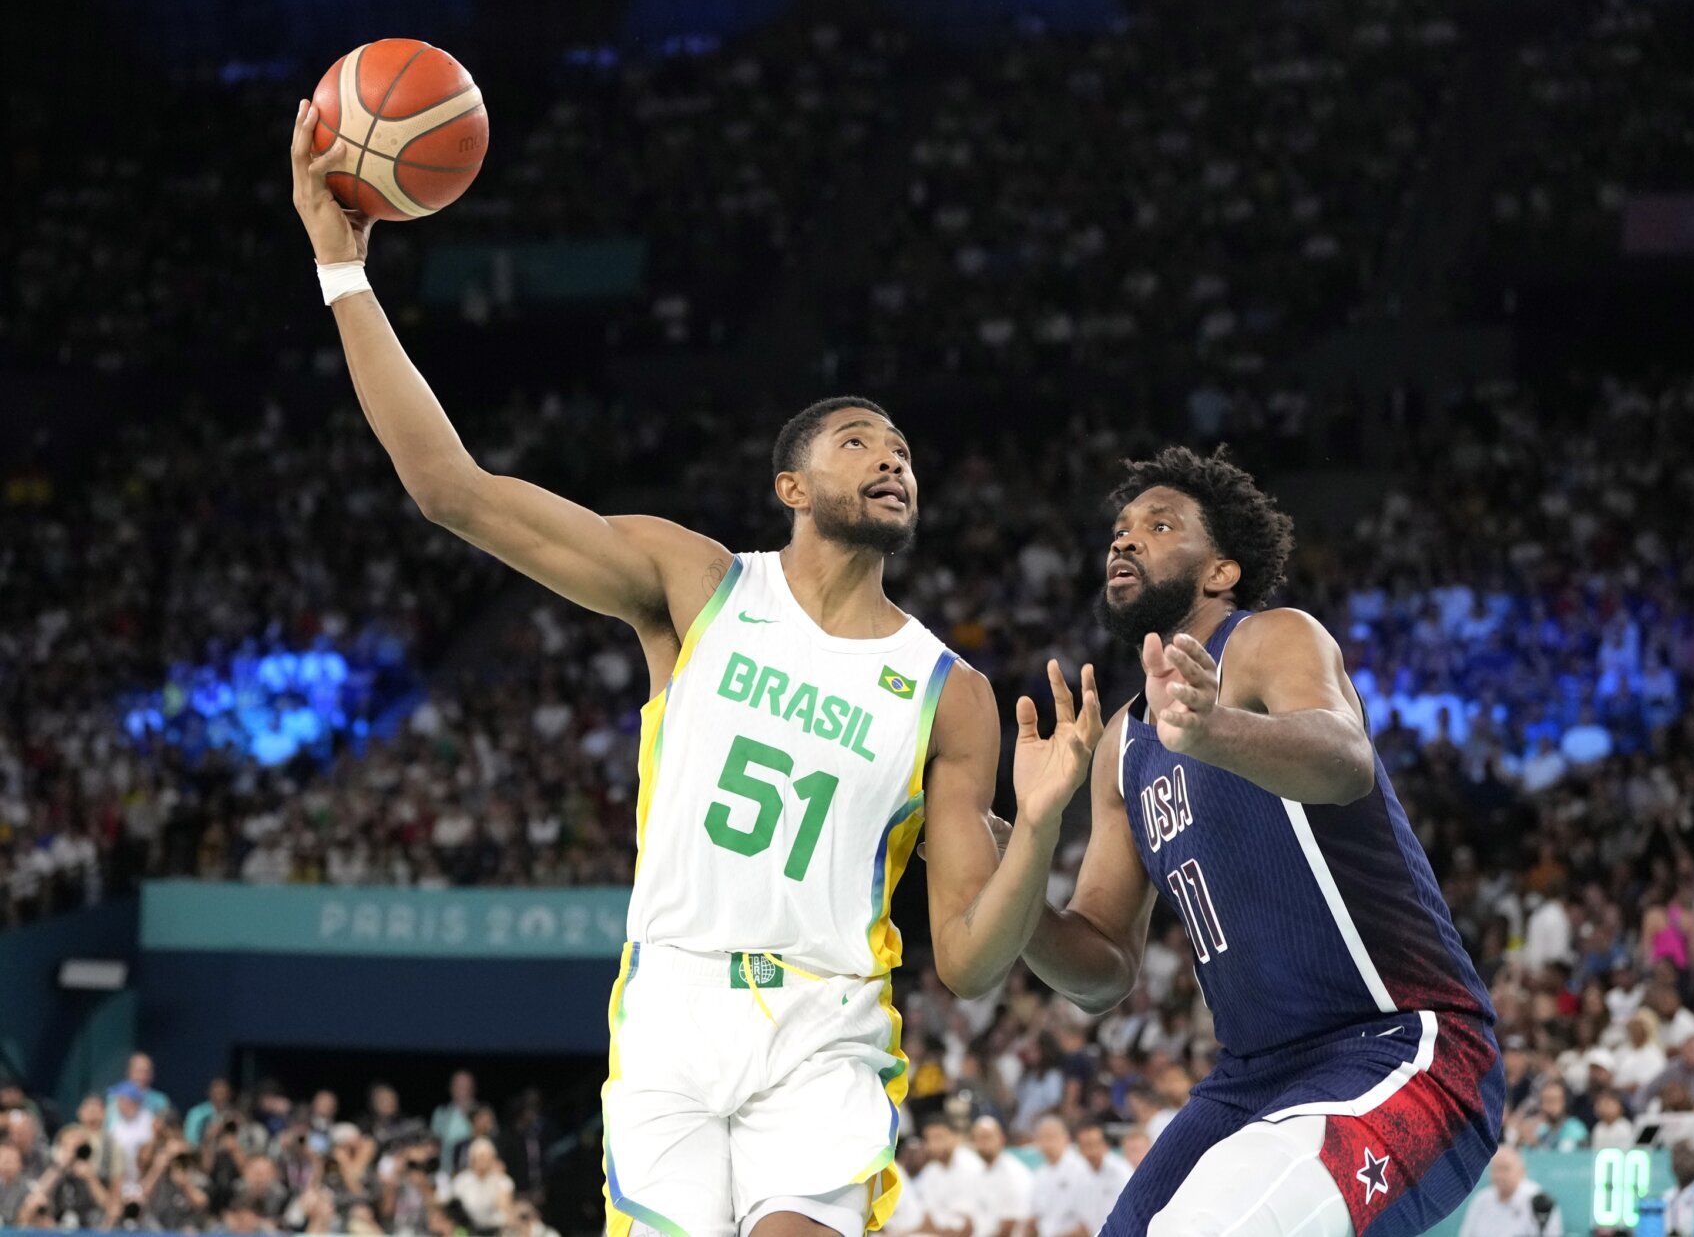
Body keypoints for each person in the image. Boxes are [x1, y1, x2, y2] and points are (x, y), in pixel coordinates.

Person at [288, 104, 1104, 1237]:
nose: (890, 460)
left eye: (903, 452)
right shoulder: (699, 584)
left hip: (825, 1023)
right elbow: (450, 489)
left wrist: (1044, 822)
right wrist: (343, 272)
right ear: (790, 487)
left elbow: (967, 964)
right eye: (859, 442)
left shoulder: (948, 691)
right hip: (671, 1007)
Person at [1020, 447, 1503, 1236]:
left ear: (1222, 572)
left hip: (1407, 1047)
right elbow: (1099, 970)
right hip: (1251, 1081)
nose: (1125, 539)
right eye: (1120, 529)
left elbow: (1346, 759)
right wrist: (1012, 867)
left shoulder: (1271, 639)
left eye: (1159, 525)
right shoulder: (1120, 747)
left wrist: (1217, 732)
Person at [1456, 1149, 1561, 1237]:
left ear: (1521, 1171)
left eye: (1505, 1168)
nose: (1499, 1175)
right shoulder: (1481, 1199)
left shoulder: (1538, 1200)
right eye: (1495, 1169)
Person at [1024, 1116, 1093, 1237]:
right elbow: (1033, 1219)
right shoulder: (1040, 1174)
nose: (1047, 1143)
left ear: (1066, 1139)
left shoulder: (1080, 1170)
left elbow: (1087, 1225)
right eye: (1043, 1138)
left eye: (1052, 1137)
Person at [964, 1116, 1032, 1237]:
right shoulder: (975, 1172)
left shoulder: (1014, 1174)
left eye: (988, 1137)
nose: (983, 1143)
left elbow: (1009, 1227)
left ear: (1001, 1140)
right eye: (979, 1138)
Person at [911, 1118, 978, 1237]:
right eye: (928, 1139)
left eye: (938, 1138)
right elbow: (926, 1216)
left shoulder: (972, 1167)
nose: (933, 1145)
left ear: (955, 1138)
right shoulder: (930, 1170)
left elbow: (969, 1226)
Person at [1072, 1123, 1132, 1234]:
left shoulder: (1120, 1171)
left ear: (1105, 1145)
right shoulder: (1080, 1175)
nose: (1091, 1150)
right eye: (1086, 1145)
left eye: (1095, 1144)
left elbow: (1129, 1210)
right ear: (1080, 1150)